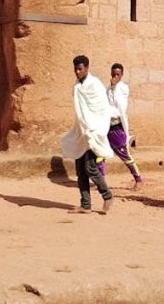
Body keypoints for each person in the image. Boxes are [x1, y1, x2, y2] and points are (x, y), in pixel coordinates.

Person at [60, 55, 116, 214]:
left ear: (87, 68)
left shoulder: (95, 85)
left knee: (90, 168)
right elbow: (80, 110)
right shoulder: (77, 85)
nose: (77, 72)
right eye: (75, 69)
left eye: (80, 69)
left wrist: (96, 129)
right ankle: (85, 204)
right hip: (82, 132)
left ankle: (107, 195)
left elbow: (101, 108)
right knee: (80, 170)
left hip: (94, 131)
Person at [99, 63, 143, 189]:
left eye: (118, 75)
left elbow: (119, 105)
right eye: (113, 74)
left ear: (122, 75)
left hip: (117, 127)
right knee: (100, 154)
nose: (115, 77)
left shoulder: (123, 88)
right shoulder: (107, 89)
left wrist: (113, 88)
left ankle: (138, 179)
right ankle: (101, 182)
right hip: (106, 126)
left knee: (124, 155)